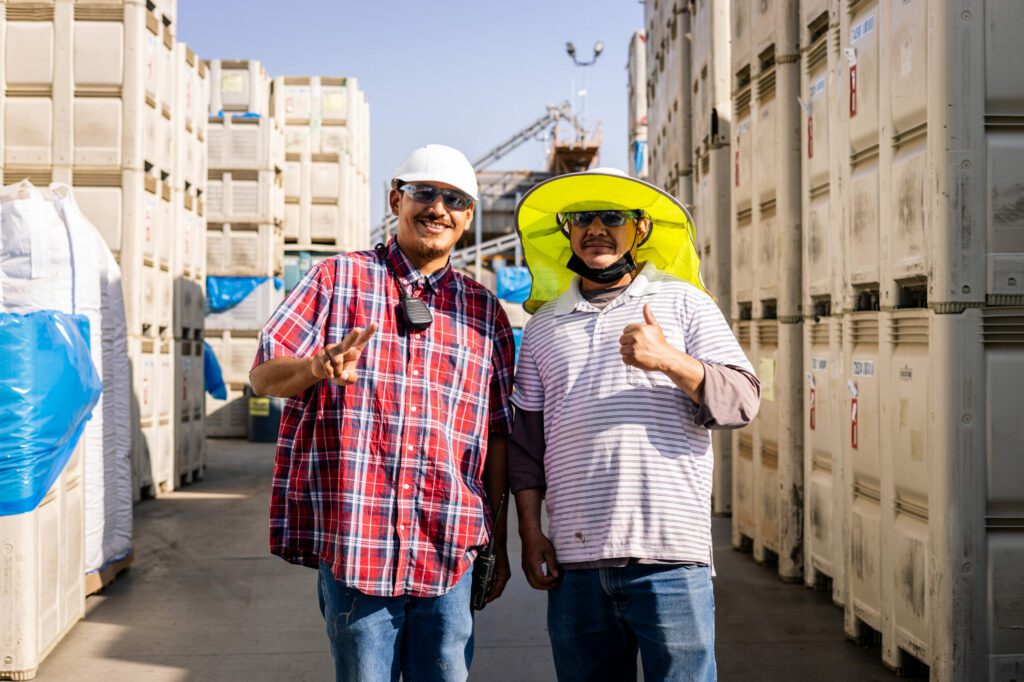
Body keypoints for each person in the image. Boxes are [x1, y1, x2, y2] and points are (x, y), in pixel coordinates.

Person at [249, 144, 515, 682]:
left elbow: (497, 437)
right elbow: (262, 375)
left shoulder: (484, 311)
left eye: (455, 200)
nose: (438, 208)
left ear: (468, 217)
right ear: (397, 199)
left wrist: (500, 544)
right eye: (424, 193)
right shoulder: (335, 280)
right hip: (358, 545)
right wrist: (316, 368)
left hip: (450, 546)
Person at [507, 168, 760, 681]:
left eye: (613, 217)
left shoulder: (686, 303)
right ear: (566, 231)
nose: (596, 228)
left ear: (640, 228)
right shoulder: (542, 327)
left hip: (671, 561)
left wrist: (669, 359)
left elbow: (743, 400)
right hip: (576, 564)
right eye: (581, 218)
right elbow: (526, 450)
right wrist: (531, 533)